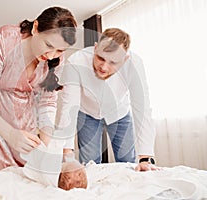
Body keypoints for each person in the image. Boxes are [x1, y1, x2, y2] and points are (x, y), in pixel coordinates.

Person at [0, 6, 77, 170]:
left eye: (60, 50)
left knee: (27, 177)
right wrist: (10, 134)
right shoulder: (5, 39)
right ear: (35, 28)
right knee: (0, 180)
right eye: (48, 44)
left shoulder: (56, 59)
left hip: (24, 122)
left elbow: (47, 102)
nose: (50, 56)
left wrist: (45, 145)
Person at [56, 28, 157, 171]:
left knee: (128, 162)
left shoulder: (134, 64)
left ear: (125, 59)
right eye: (100, 58)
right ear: (96, 47)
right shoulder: (76, 61)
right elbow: (69, 106)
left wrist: (146, 158)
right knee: (89, 165)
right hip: (87, 114)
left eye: (113, 62)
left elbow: (143, 108)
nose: (103, 67)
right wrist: (67, 153)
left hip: (119, 113)